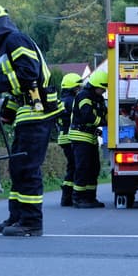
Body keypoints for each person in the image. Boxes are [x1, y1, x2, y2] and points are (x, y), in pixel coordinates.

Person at [0, 0, 59, 237]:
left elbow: (28, 77)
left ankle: (31, 222)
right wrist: (2, 119)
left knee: (27, 168)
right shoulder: (5, 48)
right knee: (17, 166)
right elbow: (15, 91)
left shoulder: (15, 41)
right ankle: (17, 217)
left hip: (39, 111)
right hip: (28, 112)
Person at [70, 69, 108, 208]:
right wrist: (103, 122)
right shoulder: (84, 96)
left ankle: (90, 198)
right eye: (102, 88)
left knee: (94, 168)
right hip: (80, 136)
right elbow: (87, 115)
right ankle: (78, 199)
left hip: (90, 137)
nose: (103, 91)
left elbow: (103, 113)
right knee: (83, 168)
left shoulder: (97, 98)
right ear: (95, 85)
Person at [57, 73, 83, 207]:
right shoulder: (72, 101)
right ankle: (68, 197)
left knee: (71, 166)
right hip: (70, 136)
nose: (79, 89)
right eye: (77, 87)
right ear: (72, 88)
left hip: (63, 136)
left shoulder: (60, 101)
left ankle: (66, 196)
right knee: (74, 166)